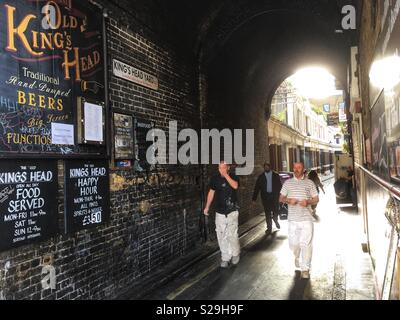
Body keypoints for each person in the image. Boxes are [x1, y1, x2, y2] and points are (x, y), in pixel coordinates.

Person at [279, 162, 319, 279]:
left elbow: (316, 199)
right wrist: (287, 200)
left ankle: (305, 268)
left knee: (306, 244)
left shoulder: (309, 183)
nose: (296, 169)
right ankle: (296, 256)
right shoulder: (287, 183)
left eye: (299, 167)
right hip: (292, 219)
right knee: (294, 244)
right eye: (295, 167)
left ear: (303, 170)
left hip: (307, 219)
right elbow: (280, 198)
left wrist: (308, 202)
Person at [204, 162, 240, 268]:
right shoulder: (215, 179)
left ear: (228, 168)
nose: (222, 169)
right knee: (221, 235)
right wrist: (207, 207)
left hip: (232, 211)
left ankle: (235, 254)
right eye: (220, 167)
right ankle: (225, 257)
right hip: (219, 212)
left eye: (224, 167)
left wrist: (226, 175)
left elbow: (235, 186)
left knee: (232, 235)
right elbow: (211, 193)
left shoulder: (233, 177)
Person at [252, 162, 282, 235]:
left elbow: (280, 186)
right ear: (264, 168)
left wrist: (282, 196)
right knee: (267, 213)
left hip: (274, 196)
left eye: (267, 167)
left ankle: (275, 219)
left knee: (276, 211)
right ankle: (269, 228)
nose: (266, 168)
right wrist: (254, 199)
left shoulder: (275, 175)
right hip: (266, 197)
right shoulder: (261, 177)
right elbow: (257, 188)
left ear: (270, 167)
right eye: (265, 167)